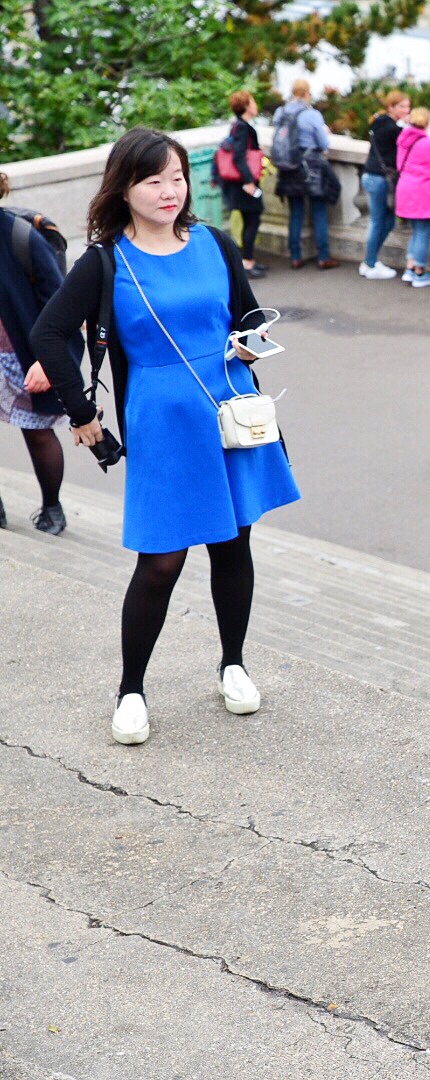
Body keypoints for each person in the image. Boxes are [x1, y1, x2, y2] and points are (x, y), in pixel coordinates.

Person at [30, 128, 300, 746]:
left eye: (177, 177)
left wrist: (250, 346)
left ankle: (233, 664)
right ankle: (131, 689)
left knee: (234, 543)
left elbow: (250, 317)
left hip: (229, 408)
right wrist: (83, 415)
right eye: (153, 180)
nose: (168, 191)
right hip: (161, 422)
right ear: (124, 187)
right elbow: (48, 335)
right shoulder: (104, 261)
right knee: (161, 562)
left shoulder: (215, 243)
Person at [0, 171, 71, 535]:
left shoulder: (18, 235)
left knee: (39, 431)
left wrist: (49, 359)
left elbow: (60, 304)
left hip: (19, 354)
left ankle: (52, 507)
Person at [271, 79, 336, 271]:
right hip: (311, 168)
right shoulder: (311, 115)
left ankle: (295, 256)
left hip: (288, 168)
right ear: (307, 93)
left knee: (296, 213)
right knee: (318, 211)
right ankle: (323, 256)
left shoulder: (280, 113)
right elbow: (324, 144)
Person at [392, 107, 430, 289]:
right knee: (424, 232)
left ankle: (410, 268)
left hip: (407, 190)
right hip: (424, 193)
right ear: (427, 123)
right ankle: (419, 271)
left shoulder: (404, 141)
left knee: (417, 231)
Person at [359, 90, 409, 281]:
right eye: (402, 106)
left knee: (386, 221)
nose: (406, 110)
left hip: (372, 175)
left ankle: (370, 260)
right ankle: (370, 263)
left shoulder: (379, 123)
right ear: (391, 107)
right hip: (379, 178)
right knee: (379, 221)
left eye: (407, 106)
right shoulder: (392, 128)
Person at [219, 91, 267, 281]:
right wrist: (248, 181)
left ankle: (249, 259)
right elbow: (239, 156)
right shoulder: (242, 127)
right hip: (244, 183)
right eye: (253, 102)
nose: (256, 105)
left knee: (250, 220)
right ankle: (246, 262)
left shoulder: (238, 125)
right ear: (246, 106)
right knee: (253, 220)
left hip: (240, 182)